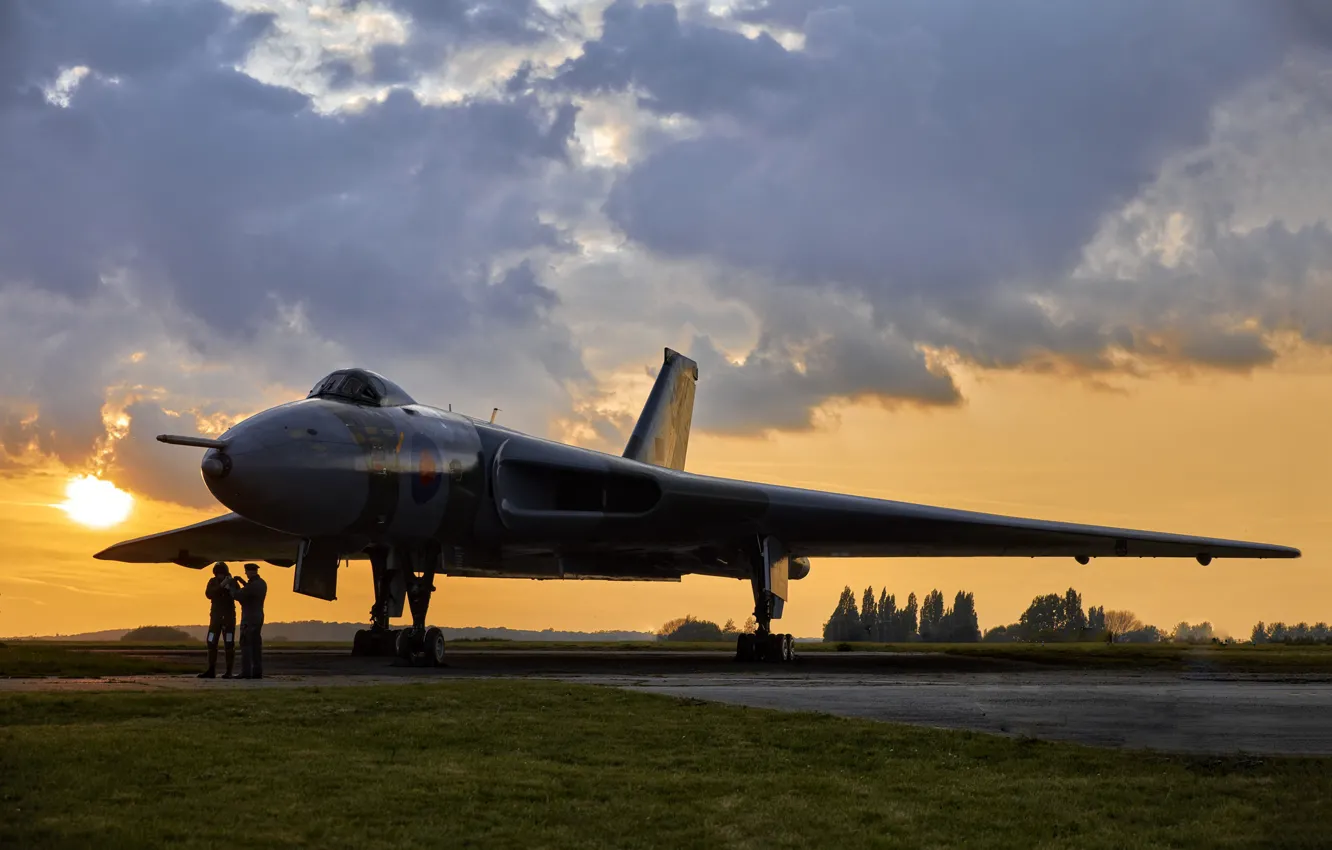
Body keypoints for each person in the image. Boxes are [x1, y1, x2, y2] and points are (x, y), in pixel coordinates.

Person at [229, 562, 268, 679]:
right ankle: (257, 671)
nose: (245, 574)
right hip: (258, 616)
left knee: (245, 643)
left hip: (249, 617)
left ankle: (246, 672)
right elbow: (249, 591)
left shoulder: (252, 586)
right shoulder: (261, 583)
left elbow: (237, 595)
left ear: (249, 572)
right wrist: (242, 582)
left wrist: (232, 585)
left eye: (246, 572)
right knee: (256, 644)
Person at [198, 562, 236, 679]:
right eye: (217, 574)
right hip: (215, 619)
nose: (219, 576)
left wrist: (229, 588)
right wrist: (221, 586)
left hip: (228, 619)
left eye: (221, 574)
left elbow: (237, 595)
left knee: (229, 644)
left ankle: (229, 671)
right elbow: (209, 594)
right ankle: (211, 670)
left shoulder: (232, 582)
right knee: (211, 642)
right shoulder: (212, 582)